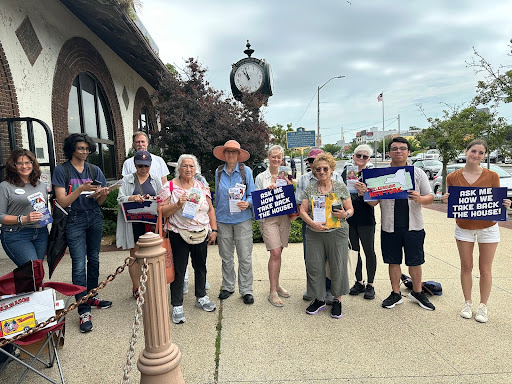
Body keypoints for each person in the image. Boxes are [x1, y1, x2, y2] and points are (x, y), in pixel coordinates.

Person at [442, 139, 511, 322]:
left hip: (488, 227)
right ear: (466, 151)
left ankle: (483, 306)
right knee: (466, 267)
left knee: (485, 269)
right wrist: (446, 199)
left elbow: (497, 202)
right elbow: (454, 202)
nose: (476, 155)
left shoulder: (492, 176)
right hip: (463, 227)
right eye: (473, 151)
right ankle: (467, 302)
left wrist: (505, 203)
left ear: (484, 155)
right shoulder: (453, 177)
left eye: (481, 153)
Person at [365, 137, 435, 311]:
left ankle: (418, 292)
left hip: (414, 226)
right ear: (388, 152)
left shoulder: (418, 173)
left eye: (402, 148)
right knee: (393, 261)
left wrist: (420, 198)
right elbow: (373, 203)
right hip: (390, 226)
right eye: (394, 148)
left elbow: (430, 197)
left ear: (408, 152)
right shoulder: (381, 176)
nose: (398, 151)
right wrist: (366, 193)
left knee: (415, 261)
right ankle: (395, 293)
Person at [52, 133, 112, 333]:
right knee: (79, 265)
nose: (84, 152)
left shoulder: (94, 169)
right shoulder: (62, 170)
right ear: (72, 149)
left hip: (94, 216)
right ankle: (83, 310)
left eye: (87, 149)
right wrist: (80, 190)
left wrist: (102, 194)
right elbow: (62, 202)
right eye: (80, 148)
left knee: (94, 259)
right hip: (74, 219)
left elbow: (100, 203)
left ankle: (92, 295)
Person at [159, 154, 218, 324]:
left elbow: (210, 209)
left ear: (196, 169)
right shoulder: (169, 187)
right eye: (184, 166)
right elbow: (161, 211)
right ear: (178, 168)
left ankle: (201, 296)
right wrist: (178, 204)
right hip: (179, 233)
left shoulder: (201, 186)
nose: (188, 169)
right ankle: (177, 305)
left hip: (200, 233)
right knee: (179, 270)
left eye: (191, 166)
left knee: (200, 267)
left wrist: (213, 229)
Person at [299, 152, 353, 318]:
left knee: (337, 265)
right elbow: (302, 211)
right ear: (314, 171)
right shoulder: (310, 188)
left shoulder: (340, 187)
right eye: (318, 169)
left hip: (337, 232)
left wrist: (345, 214)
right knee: (315, 266)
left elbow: (350, 209)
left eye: (325, 168)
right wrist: (312, 223)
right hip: (315, 232)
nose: (321, 172)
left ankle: (337, 300)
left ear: (331, 169)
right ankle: (319, 299)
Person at [295, 148, 343, 303]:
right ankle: (313, 290)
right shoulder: (304, 180)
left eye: (323, 165)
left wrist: (342, 213)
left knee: (330, 259)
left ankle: (329, 290)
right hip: (310, 224)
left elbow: (343, 201)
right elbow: (299, 204)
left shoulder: (336, 177)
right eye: (311, 161)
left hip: (332, 225)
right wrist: (311, 220)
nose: (320, 169)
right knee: (311, 259)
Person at [213, 140, 256, 305]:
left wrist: (248, 203)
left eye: (234, 152)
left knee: (244, 256)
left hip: (242, 219)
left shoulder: (246, 172)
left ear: (239, 155)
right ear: (224, 154)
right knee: (226, 256)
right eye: (228, 152)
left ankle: (246, 290)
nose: (230, 154)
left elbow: (252, 195)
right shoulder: (218, 172)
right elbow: (217, 196)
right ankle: (228, 286)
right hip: (223, 219)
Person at [116, 150, 162, 298]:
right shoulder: (127, 179)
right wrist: (132, 197)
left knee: (151, 255)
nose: (143, 169)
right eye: (140, 166)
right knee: (134, 255)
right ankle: (136, 287)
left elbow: (162, 198)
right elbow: (120, 198)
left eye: (146, 166)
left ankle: (151, 284)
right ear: (135, 165)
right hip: (133, 223)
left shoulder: (155, 179)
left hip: (151, 222)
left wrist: (152, 197)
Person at [255, 145, 294, 307]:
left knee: (280, 252)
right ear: (268, 158)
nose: (276, 159)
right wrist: (268, 189)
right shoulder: (261, 177)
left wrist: (288, 185)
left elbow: (292, 196)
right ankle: (272, 291)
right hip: (268, 218)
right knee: (275, 252)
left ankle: (277, 284)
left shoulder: (286, 175)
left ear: (282, 159)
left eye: (279, 157)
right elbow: (257, 200)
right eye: (273, 157)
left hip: (284, 217)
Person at [0, 149, 49, 266]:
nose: (24, 166)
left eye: (28, 162)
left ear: (33, 164)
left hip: (41, 233)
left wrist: (45, 216)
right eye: (20, 163)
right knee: (32, 269)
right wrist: (23, 219)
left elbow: (43, 207)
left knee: (37, 273)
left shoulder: (41, 185)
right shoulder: (5, 186)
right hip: (16, 233)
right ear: (13, 166)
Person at [342, 144, 378, 300]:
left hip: (366, 218)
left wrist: (364, 193)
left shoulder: (371, 175)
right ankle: (359, 282)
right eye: (358, 155)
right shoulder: (345, 174)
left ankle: (370, 284)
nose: (361, 158)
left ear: (368, 159)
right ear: (353, 156)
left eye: (365, 156)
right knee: (354, 251)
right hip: (349, 218)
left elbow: (375, 203)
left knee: (369, 251)